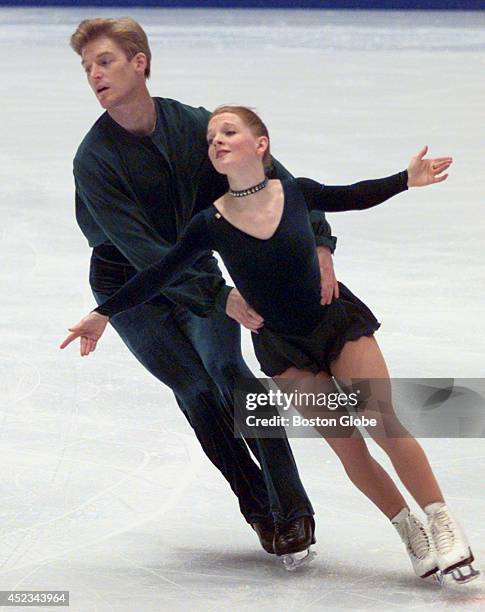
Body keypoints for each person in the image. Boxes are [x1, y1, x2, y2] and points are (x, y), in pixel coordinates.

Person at [61, 105, 479, 584]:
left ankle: (442, 522)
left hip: (334, 322)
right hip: (284, 350)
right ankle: (409, 530)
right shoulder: (209, 224)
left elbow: (353, 196)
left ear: (260, 144)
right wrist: (103, 312)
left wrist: (405, 179)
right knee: (348, 447)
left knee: (380, 419)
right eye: (212, 135)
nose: (216, 139)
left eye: (229, 131)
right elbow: (159, 274)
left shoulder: (296, 192)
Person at [67, 17, 346, 563]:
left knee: (231, 373)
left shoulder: (195, 126)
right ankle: (258, 507)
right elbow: (143, 252)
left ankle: (293, 506)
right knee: (195, 390)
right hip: (132, 282)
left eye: (104, 61)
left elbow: (269, 177)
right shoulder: (94, 159)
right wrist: (220, 297)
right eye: (86, 68)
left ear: (139, 62)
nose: (93, 75)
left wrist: (318, 241)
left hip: (197, 272)